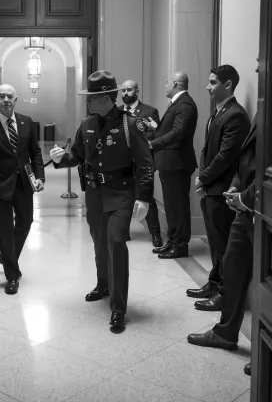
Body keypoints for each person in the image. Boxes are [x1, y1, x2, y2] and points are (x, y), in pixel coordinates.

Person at [50, 70, 153, 329]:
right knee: (99, 243)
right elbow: (78, 156)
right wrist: (61, 158)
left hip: (121, 193)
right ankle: (103, 285)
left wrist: (144, 198)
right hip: (94, 195)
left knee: (116, 243)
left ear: (107, 97)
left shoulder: (131, 125)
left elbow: (145, 163)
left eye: (92, 97)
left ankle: (119, 307)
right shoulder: (87, 124)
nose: (88, 101)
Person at [187, 115, 256, 377]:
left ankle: (266, 350)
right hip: (244, 209)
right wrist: (236, 185)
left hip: (262, 208)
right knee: (233, 270)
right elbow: (245, 159)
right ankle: (225, 333)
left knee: (270, 286)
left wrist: (245, 196)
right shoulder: (264, 108)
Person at [190, 65, 250, 312]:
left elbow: (226, 156)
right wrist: (203, 179)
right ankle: (214, 283)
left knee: (224, 245)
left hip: (222, 190)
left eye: (213, 82)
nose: (207, 87)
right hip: (210, 187)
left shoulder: (235, 114)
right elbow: (207, 150)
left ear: (227, 85)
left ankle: (224, 294)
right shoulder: (218, 111)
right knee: (214, 242)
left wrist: (203, 178)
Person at [0, 84, 45, 294]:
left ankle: (7, 256)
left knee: (26, 222)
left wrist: (40, 176)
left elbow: (35, 152)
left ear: (16, 100)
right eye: (2, 96)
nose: (6, 100)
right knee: (5, 231)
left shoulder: (26, 122)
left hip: (24, 184)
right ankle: (12, 276)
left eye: (10, 97)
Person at [150, 72, 198, 259]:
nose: (165, 85)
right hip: (170, 163)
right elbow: (172, 130)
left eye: (167, 82)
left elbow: (178, 133)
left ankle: (180, 245)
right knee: (171, 206)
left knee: (178, 207)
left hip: (177, 163)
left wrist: (153, 143)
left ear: (176, 84)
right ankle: (172, 241)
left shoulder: (185, 105)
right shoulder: (177, 104)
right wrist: (157, 128)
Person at [118, 80, 163, 247]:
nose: (125, 94)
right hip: (122, 164)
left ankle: (155, 234)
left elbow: (155, 135)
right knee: (123, 198)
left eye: (129, 90)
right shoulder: (117, 112)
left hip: (141, 163)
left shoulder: (149, 111)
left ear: (137, 91)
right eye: (123, 91)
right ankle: (124, 231)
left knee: (146, 197)